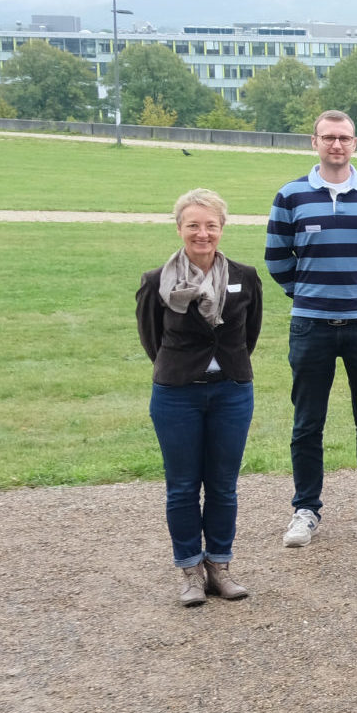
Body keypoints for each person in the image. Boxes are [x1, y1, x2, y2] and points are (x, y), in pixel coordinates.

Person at [265, 109, 357, 548]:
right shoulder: (290, 196)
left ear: (355, 143)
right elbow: (276, 260)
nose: (336, 145)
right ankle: (305, 509)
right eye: (328, 137)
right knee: (308, 422)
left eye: (344, 137)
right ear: (314, 142)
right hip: (311, 325)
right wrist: (310, 294)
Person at [139, 188, 264, 606]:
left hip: (231, 391)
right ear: (179, 228)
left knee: (224, 485)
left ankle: (220, 567)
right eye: (193, 224)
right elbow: (152, 339)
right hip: (177, 395)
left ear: (222, 229)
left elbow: (249, 336)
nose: (202, 233)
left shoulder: (245, 277)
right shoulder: (157, 281)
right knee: (182, 486)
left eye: (211, 225)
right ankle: (190, 569)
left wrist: (223, 366)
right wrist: (184, 368)